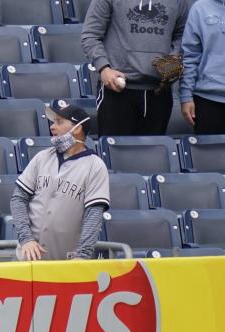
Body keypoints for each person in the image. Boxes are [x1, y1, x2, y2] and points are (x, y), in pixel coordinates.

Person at [12, 101, 110, 261]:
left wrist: (83, 255)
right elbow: (18, 198)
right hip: (27, 257)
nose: (52, 126)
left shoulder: (95, 166)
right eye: (53, 121)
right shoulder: (42, 157)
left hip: (66, 263)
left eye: (59, 122)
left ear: (77, 128)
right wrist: (26, 239)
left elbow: (94, 213)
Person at [82, 0, 190, 136]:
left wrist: (173, 60)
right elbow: (90, 35)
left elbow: (182, 35)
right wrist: (104, 68)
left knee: (152, 155)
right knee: (115, 154)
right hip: (118, 90)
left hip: (159, 91)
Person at [180, 0, 225, 135]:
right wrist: (186, 96)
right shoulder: (201, 7)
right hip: (208, 100)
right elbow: (190, 55)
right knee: (210, 156)